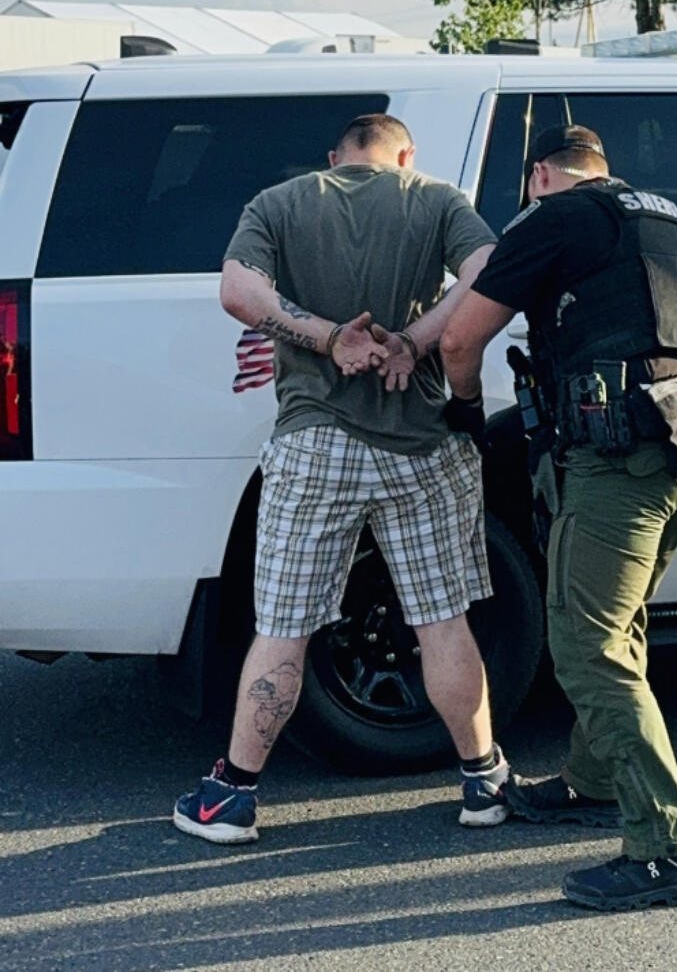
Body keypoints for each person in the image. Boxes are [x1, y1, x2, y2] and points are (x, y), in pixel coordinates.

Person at [173, 113, 510, 843]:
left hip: (314, 443)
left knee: (285, 626)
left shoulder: (280, 202)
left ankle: (231, 795)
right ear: (404, 153)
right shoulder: (436, 198)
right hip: (419, 442)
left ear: (335, 157)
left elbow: (238, 291)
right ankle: (484, 781)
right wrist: (416, 341)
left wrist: (329, 338)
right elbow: (490, 269)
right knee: (441, 620)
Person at [440, 125, 677, 911]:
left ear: (540, 176)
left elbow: (463, 334)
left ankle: (668, 847)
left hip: (620, 455)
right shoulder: (662, 216)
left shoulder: (554, 216)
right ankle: (595, 779)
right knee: (618, 621)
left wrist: (463, 410)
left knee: (585, 640)